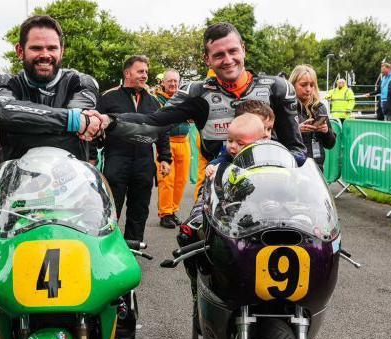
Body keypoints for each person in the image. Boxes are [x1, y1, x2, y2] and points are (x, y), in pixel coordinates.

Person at [0, 15, 157, 339]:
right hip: (14, 203)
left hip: (78, 200)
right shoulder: (3, 82)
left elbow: (74, 111)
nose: (44, 55)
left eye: (51, 48)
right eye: (36, 48)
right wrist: (66, 122)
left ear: (61, 51)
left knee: (118, 285)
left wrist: (44, 119)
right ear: (21, 52)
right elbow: (3, 112)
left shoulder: (81, 82)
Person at [104, 22, 306, 189]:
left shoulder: (276, 88)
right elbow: (152, 124)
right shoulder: (197, 93)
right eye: (219, 55)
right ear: (207, 59)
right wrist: (108, 121)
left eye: (233, 51)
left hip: (274, 188)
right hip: (219, 188)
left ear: (243, 49)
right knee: (190, 236)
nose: (228, 60)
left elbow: (297, 150)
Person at [97, 55, 171, 242]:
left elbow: (162, 129)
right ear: (127, 73)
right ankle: (107, 248)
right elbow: (95, 127)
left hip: (144, 163)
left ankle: (134, 246)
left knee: (139, 208)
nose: (145, 75)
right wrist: (90, 156)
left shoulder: (154, 101)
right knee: (111, 208)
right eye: (140, 71)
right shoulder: (108, 97)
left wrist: (164, 157)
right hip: (116, 161)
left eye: (146, 71)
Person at [154, 68, 191, 229]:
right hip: (167, 142)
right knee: (166, 180)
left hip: (184, 141)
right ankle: (165, 213)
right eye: (170, 81)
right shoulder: (157, 99)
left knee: (181, 180)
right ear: (163, 82)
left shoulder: (185, 98)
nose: (173, 84)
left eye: (176, 81)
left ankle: (173, 210)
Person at [289, 64, 336, 170]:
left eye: (312, 85)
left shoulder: (319, 107)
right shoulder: (286, 108)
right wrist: (297, 130)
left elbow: (330, 144)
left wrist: (326, 131)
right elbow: (276, 140)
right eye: (303, 85)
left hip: (317, 168)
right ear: (292, 84)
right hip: (294, 167)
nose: (308, 89)